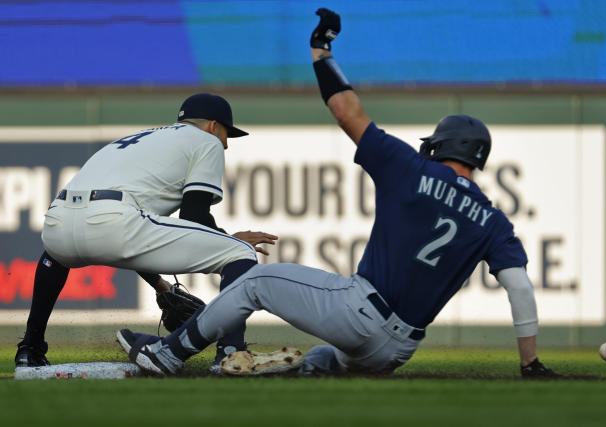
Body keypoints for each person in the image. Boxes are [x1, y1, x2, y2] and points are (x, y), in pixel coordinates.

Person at [117, 9, 559, 378]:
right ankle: (302, 368)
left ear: (439, 147)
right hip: (397, 350)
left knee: (254, 281)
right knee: (327, 359)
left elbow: (346, 110)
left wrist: (321, 51)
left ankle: (168, 354)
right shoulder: (493, 220)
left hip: (359, 314)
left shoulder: (410, 168)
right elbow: (519, 286)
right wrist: (531, 363)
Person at [15, 93, 277, 372]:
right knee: (240, 252)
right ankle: (231, 353)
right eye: (226, 134)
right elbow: (194, 216)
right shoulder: (207, 141)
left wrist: (159, 285)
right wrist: (230, 238)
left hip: (57, 223)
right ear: (213, 126)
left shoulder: (140, 140)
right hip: (115, 219)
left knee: (57, 255)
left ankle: (30, 348)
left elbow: (132, 228)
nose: (225, 144)